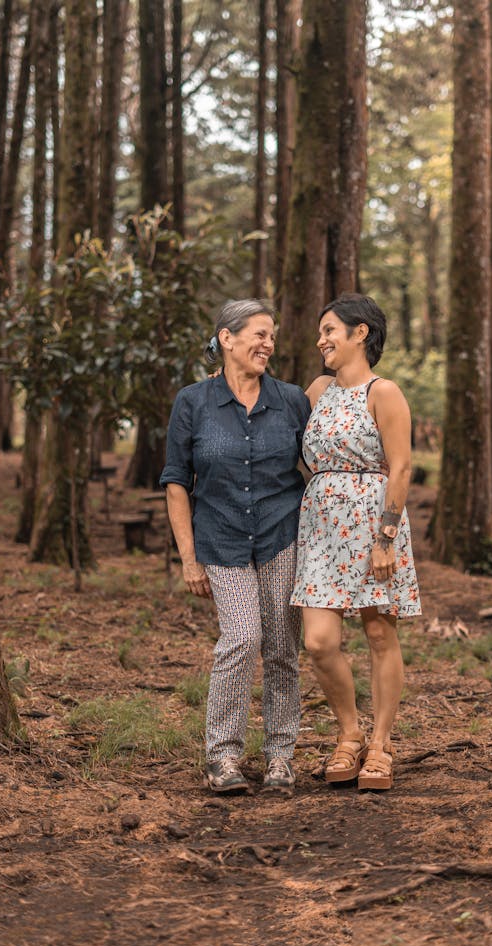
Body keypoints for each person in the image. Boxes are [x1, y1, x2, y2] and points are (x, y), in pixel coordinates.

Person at [160, 299, 311, 795]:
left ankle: (281, 757)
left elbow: (315, 466)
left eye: (272, 336)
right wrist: (188, 558)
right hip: (220, 539)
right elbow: (178, 481)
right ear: (227, 338)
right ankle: (222, 756)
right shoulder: (193, 402)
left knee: (284, 648)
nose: (268, 343)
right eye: (259, 334)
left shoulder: (291, 400)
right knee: (243, 638)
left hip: (281, 535)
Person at [290, 292, 421, 791]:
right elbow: (277, 420)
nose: (321, 340)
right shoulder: (317, 389)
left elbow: (402, 465)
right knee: (319, 641)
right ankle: (349, 733)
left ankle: (381, 745)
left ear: (359, 333)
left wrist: (385, 538)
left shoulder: (383, 392)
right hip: (320, 525)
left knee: (380, 635)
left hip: (372, 526)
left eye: (329, 331)